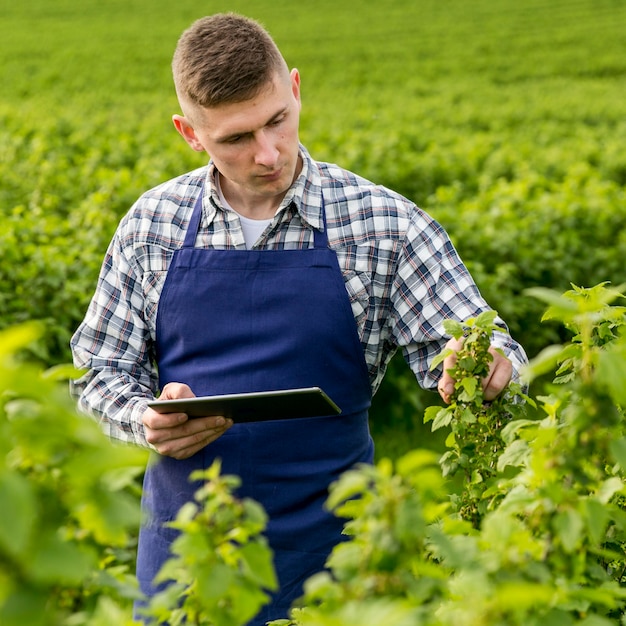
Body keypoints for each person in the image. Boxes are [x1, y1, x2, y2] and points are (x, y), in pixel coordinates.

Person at [70, 12, 528, 625]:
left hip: (340, 563)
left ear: (295, 88)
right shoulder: (151, 226)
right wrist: (143, 417)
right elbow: (96, 370)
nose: (267, 153)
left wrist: (486, 366)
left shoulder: (382, 224)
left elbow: (483, 340)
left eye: (278, 120)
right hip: (190, 560)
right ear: (190, 133)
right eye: (235, 138)